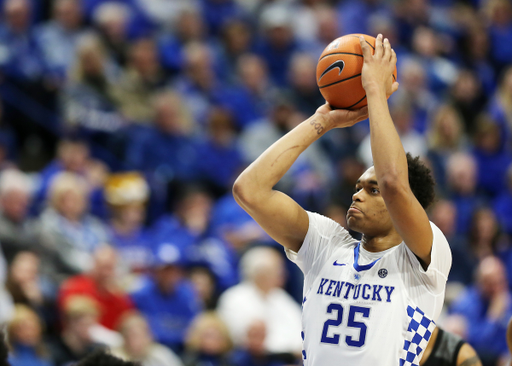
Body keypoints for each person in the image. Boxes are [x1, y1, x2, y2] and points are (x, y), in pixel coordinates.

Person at [232, 34, 452, 365]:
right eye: (359, 186)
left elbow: (394, 182)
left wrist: (375, 91)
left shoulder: (426, 256)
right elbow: (249, 190)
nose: (357, 194)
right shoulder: (326, 244)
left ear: (409, 206)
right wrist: (323, 121)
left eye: (372, 189)